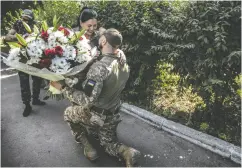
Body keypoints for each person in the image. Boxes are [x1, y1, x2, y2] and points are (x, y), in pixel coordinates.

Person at [51, 29, 141, 167]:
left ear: (104, 41)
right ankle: (127, 152)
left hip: (96, 116)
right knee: (109, 145)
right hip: (113, 115)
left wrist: (63, 88)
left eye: (101, 38)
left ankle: (87, 146)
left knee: (68, 113)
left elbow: (87, 100)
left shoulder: (99, 68)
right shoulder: (124, 63)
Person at [4, 9, 46, 117]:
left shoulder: (36, 25)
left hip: (35, 58)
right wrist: (22, 37)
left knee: (37, 79)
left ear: (32, 19)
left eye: (28, 19)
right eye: (24, 19)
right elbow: (8, 37)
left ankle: (35, 99)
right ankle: (27, 105)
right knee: (24, 82)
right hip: (22, 58)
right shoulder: (17, 24)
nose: (25, 21)